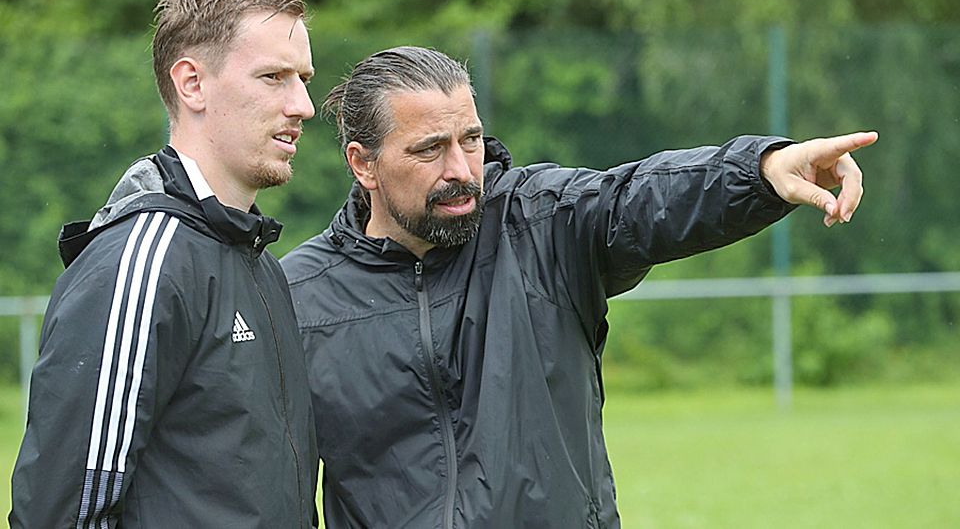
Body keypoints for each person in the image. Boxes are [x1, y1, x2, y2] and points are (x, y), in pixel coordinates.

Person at [281, 46, 877, 527]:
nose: (462, 170)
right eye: (429, 150)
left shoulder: (541, 226)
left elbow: (640, 199)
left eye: (469, 139)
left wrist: (762, 171)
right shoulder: (299, 299)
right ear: (364, 164)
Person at [9, 0, 319, 527]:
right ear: (192, 84)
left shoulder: (259, 264)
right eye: (274, 78)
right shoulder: (143, 263)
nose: (302, 106)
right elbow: (61, 513)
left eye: (304, 80)